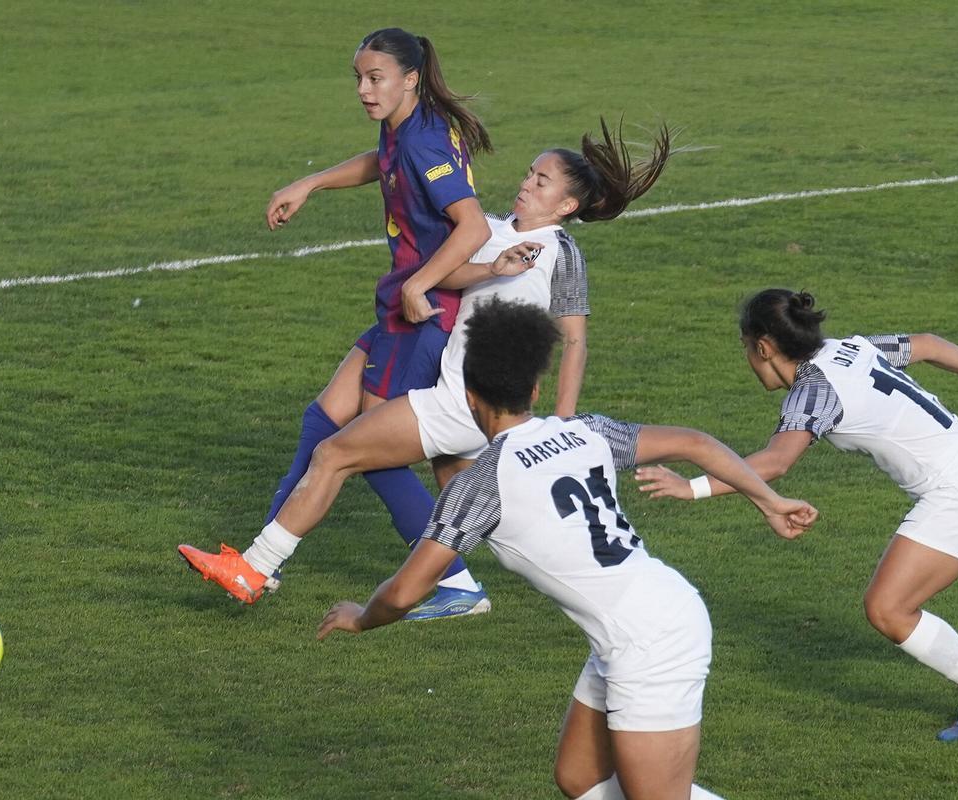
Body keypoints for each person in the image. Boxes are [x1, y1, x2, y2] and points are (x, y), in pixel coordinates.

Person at [318, 297, 819, 799]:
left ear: (470, 398)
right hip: (643, 619)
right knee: (580, 778)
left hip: (650, 643)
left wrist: (361, 617)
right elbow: (696, 442)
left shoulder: (479, 485)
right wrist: (769, 501)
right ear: (536, 388)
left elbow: (405, 592)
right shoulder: (585, 431)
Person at [181, 121, 671, 620]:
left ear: (566, 206)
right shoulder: (494, 228)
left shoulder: (561, 251)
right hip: (463, 396)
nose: (525, 184)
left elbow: (575, 339)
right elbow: (453, 274)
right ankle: (489, 586)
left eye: (541, 182)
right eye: (529, 174)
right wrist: (491, 268)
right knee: (488, 512)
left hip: (462, 402)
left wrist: (564, 418)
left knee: (335, 453)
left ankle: (256, 567)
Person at [185, 28, 494, 615]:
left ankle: (455, 583)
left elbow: (472, 227)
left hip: (423, 317)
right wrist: (311, 182)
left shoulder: (425, 138)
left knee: (362, 451)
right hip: (401, 309)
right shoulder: (408, 123)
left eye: (375, 78)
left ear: (410, 77)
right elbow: (384, 164)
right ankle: (253, 563)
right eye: (358, 77)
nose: (363, 89)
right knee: (325, 418)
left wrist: (420, 283)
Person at [635, 288, 958, 741]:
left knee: (888, 608)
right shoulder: (850, 347)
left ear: (763, 347)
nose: (748, 358)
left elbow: (775, 461)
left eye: (746, 348)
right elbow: (926, 343)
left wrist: (693, 487)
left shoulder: (814, 389)